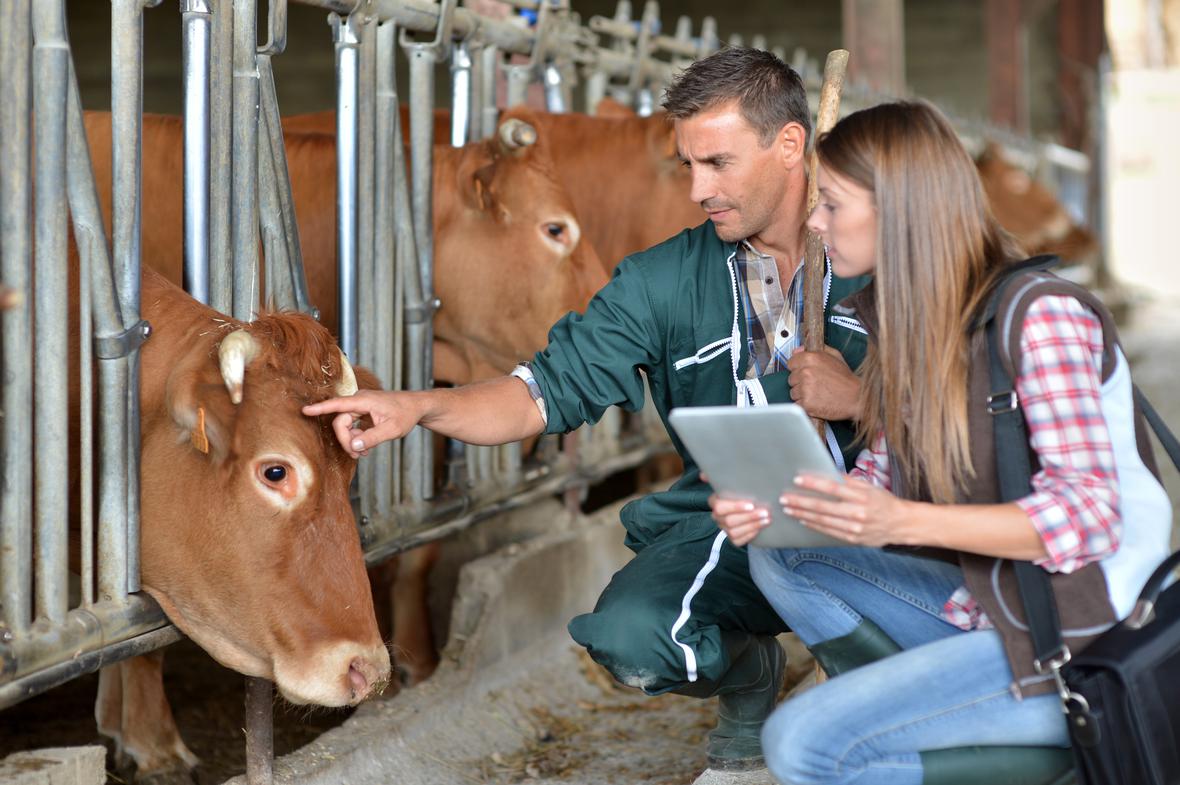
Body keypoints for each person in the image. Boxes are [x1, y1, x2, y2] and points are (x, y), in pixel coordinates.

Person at [305, 48, 871, 780]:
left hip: (883, 513)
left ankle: (859, 683)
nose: (698, 189)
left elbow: (976, 403)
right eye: (686, 165)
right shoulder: (662, 278)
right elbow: (540, 391)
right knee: (631, 636)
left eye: (718, 163)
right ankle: (750, 675)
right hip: (737, 520)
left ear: (790, 145)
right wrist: (417, 407)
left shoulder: (877, 250)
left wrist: (860, 399)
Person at [710, 100, 1174, 785]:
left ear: (899, 209)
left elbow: (1087, 514)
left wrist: (904, 520)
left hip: (1087, 641)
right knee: (787, 555)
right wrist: (779, 503)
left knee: (801, 742)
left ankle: (932, 733)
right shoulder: (910, 328)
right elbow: (878, 483)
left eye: (832, 204)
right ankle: (915, 714)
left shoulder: (1039, 316)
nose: (812, 222)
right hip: (995, 607)